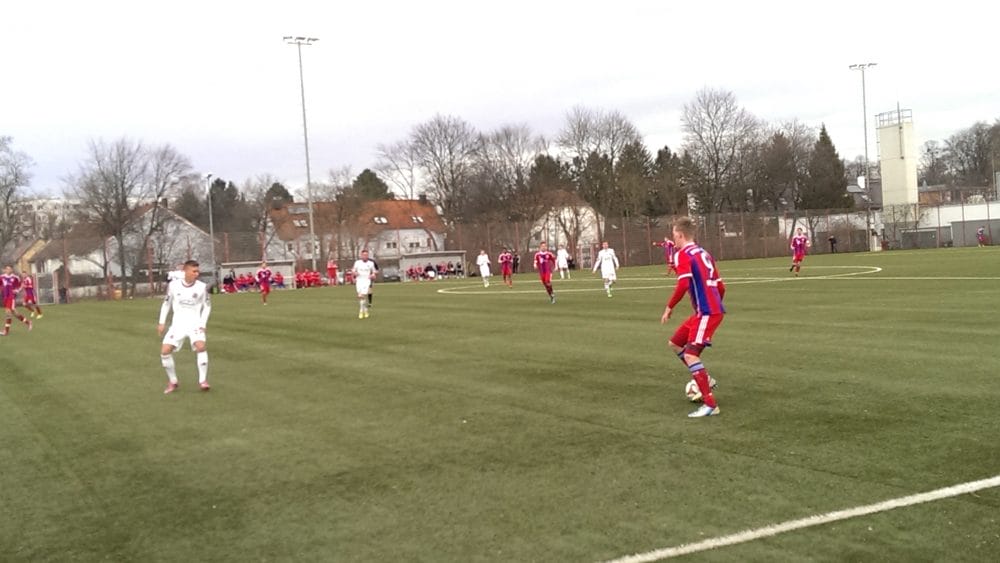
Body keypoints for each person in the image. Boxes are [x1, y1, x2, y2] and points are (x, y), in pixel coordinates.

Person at [660, 217, 726, 418]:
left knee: (690, 354)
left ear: (679, 235)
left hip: (706, 312)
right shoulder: (704, 253)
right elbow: (721, 286)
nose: (674, 239)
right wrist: (713, 304)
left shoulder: (683, 255)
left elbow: (683, 284)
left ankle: (710, 404)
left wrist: (669, 307)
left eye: (674, 236)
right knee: (675, 343)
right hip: (706, 311)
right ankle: (704, 379)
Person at [158, 260, 212, 394]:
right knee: (165, 351)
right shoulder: (173, 286)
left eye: (197, 271)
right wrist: (161, 322)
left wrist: (202, 323)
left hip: (195, 323)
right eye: (194, 271)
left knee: (201, 346)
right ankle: (173, 381)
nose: (197, 274)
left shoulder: (202, 287)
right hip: (178, 324)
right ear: (185, 271)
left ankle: (203, 381)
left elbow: (207, 306)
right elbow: (166, 304)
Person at [1, 265, 32, 335]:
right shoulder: (2, 277)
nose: (8, 270)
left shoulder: (15, 278)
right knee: (15, 314)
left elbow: (22, 284)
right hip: (5, 297)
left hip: (11, 297)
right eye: (7, 269)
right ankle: (28, 322)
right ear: (5, 270)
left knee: (8, 313)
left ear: (11, 270)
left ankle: (6, 331)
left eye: (10, 269)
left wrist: (17, 290)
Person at [351, 250, 377, 319]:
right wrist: (354, 273)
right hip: (359, 281)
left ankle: (360, 311)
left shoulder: (371, 263)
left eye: (366, 255)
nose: (365, 256)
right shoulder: (357, 263)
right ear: (361, 256)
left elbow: (374, 272)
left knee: (362, 296)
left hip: (366, 281)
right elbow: (353, 270)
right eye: (364, 255)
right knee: (360, 297)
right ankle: (365, 310)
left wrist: (372, 275)